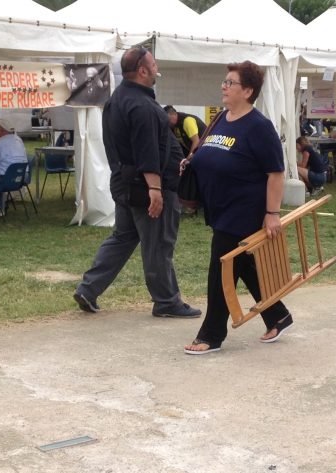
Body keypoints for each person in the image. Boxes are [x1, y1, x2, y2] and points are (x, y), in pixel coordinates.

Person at [73, 46, 201, 319]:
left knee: (123, 237)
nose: (156, 69)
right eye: (153, 65)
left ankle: (88, 288)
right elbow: (147, 151)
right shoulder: (142, 106)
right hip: (146, 188)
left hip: (125, 183)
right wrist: (155, 188)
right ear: (142, 71)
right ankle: (166, 301)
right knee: (158, 244)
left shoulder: (117, 99)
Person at [183, 61, 292, 355]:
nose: (224, 86)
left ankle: (212, 334)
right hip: (219, 207)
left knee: (221, 269)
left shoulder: (259, 127)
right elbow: (209, 151)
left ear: (247, 91)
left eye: (230, 82)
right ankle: (277, 315)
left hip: (244, 210)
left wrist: (272, 213)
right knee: (241, 264)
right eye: (225, 81)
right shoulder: (222, 118)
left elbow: (276, 173)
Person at [163, 105, 207, 214]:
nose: (167, 122)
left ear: (173, 114)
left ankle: (197, 205)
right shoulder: (173, 127)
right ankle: (191, 203)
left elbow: (196, 141)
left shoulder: (187, 121)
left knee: (196, 177)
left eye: (167, 119)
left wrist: (188, 159)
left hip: (205, 151)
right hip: (195, 153)